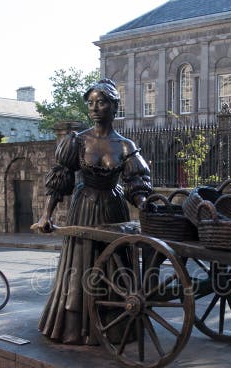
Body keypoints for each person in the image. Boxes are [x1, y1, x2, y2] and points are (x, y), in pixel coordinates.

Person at [32, 79, 152, 344]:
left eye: (102, 102)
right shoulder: (76, 141)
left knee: (114, 266)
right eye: (91, 103)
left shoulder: (125, 146)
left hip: (113, 209)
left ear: (114, 107)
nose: (95, 108)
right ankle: (77, 327)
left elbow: (137, 183)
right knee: (81, 266)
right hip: (84, 208)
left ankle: (115, 325)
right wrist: (46, 214)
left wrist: (144, 205)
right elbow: (61, 177)